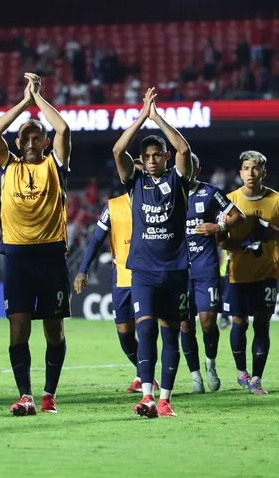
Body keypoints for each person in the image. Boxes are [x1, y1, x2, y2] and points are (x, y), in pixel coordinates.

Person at [0, 73, 71, 416]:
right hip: (17, 258)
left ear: (45, 142)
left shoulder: (54, 164)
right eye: (26, 138)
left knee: (54, 331)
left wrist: (38, 99)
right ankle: (26, 396)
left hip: (51, 255)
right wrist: (24, 102)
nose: (32, 142)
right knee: (18, 328)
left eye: (37, 137)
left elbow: (63, 129)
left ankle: (49, 393)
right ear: (18, 143)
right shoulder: (7, 166)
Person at [112, 87, 193, 418]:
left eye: (157, 155)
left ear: (165, 156)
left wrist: (157, 117)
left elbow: (184, 148)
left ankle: (165, 400)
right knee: (145, 329)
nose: (151, 160)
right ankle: (147, 396)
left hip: (174, 269)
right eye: (146, 156)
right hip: (143, 270)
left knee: (170, 334)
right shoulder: (135, 182)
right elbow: (118, 150)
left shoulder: (179, 179)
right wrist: (141, 117)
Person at [220, 150, 279, 395]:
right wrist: (241, 244)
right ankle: (241, 371)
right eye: (246, 168)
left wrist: (276, 232)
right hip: (238, 273)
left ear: (264, 172)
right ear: (240, 173)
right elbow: (220, 240)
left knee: (262, 324)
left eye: (255, 168)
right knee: (239, 323)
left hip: (267, 273)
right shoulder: (228, 201)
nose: (250, 173)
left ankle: (257, 379)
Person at [74, 159, 152, 394]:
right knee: (125, 336)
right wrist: (83, 270)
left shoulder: (158, 204)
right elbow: (96, 240)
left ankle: (146, 380)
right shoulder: (114, 206)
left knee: (146, 330)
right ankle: (143, 374)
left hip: (149, 278)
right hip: (122, 279)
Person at [181, 154, 243, 394]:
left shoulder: (210, 192)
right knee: (186, 325)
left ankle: (210, 364)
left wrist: (218, 226)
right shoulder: (169, 193)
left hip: (205, 267)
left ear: (198, 169)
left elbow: (239, 215)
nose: (185, 170)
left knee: (207, 322)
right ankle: (195, 376)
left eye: (190, 167)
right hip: (179, 270)